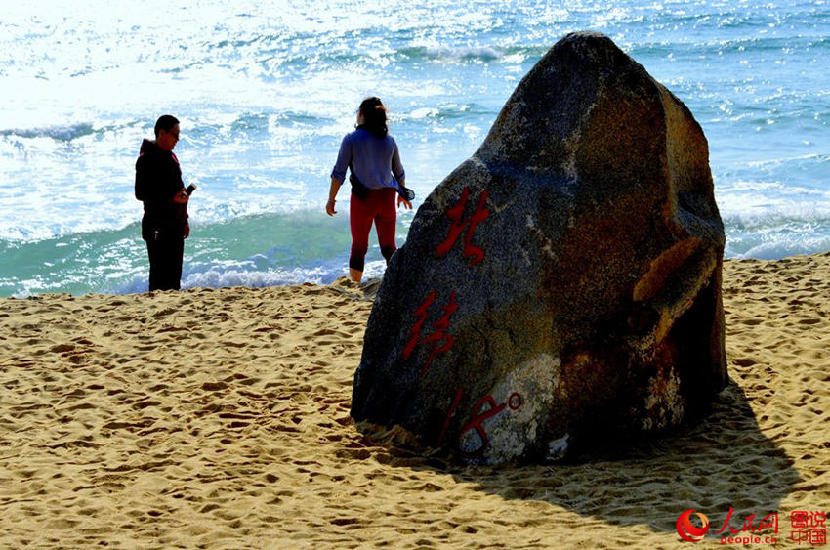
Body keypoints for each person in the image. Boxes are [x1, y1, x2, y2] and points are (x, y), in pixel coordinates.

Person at [327, 97, 412, 282]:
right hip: (387, 198)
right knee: (389, 246)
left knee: (359, 246)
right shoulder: (389, 141)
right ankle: (397, 283)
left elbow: (338, 173)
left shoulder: (351, 139)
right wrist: (403, 194)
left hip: (363, 199)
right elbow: (399, 172)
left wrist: (331, 199)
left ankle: (356, 285)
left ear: (361, 114)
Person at [135, 114, 190, 291]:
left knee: (174, 279)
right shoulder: (146, 159)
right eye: (175, 135)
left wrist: (184, 219)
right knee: (159, 279)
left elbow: (177, 188)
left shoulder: (171, 157)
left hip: (175, 224)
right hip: (156, 225)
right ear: (162, 133)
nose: (178, 140)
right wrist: (170, 197)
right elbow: (140, 193)